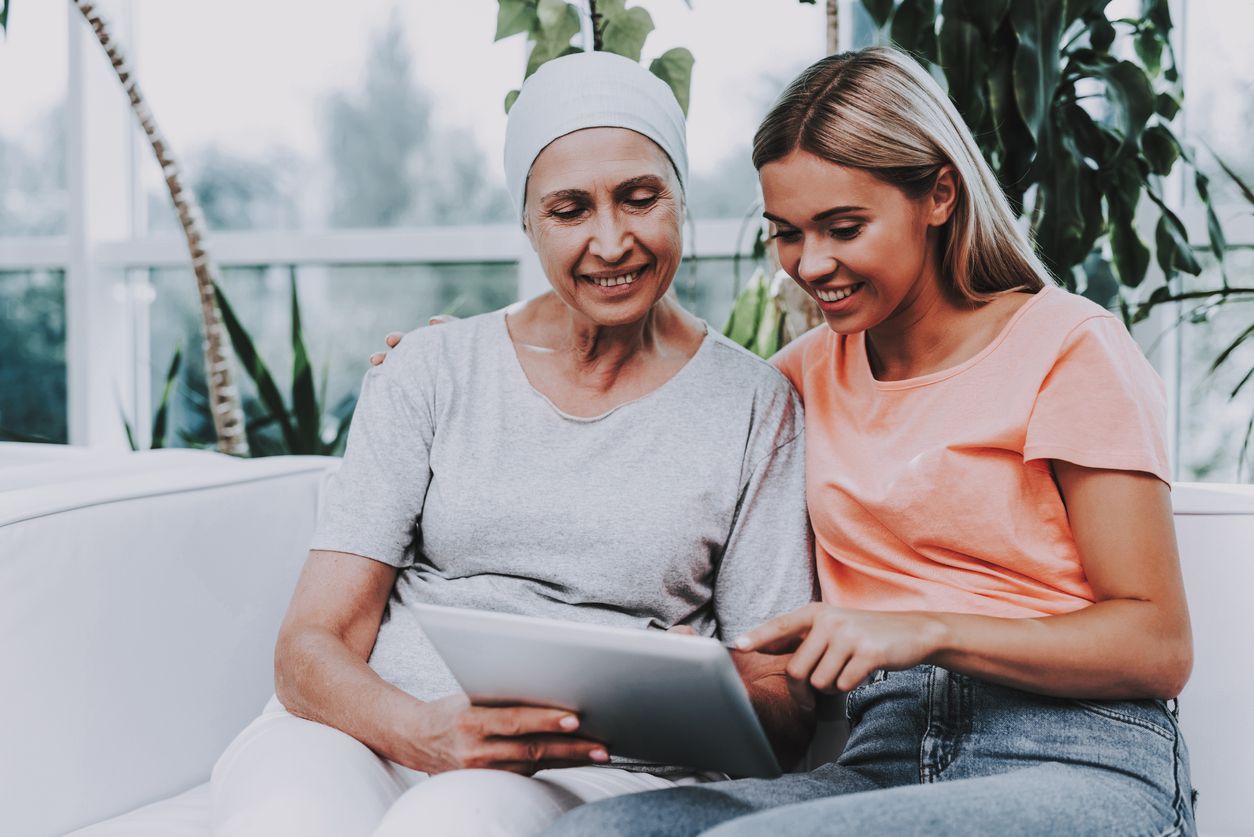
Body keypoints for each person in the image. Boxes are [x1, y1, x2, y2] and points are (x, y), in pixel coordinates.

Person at [541, 46, 1196, 837]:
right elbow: (628, 414)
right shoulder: (794, 380)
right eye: (787, 233)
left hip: (1079, 757)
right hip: (882, 760)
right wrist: (471, 357)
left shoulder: (1068, 346)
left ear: (940, 195)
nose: (811, 264)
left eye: (843, 227)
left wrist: (924, 628)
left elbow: (1157, 642)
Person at [208, 50, 816, 837]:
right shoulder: (429, 370)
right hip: (360, 732)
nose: (611, 241)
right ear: (527, 222)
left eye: (639, 198)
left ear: (681, 199)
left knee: (454, 820)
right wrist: (423, 730)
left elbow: (785, 708)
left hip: (581, 774)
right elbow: (308, 648)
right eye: (569, 209)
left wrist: (686, 686)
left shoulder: (755, 406)